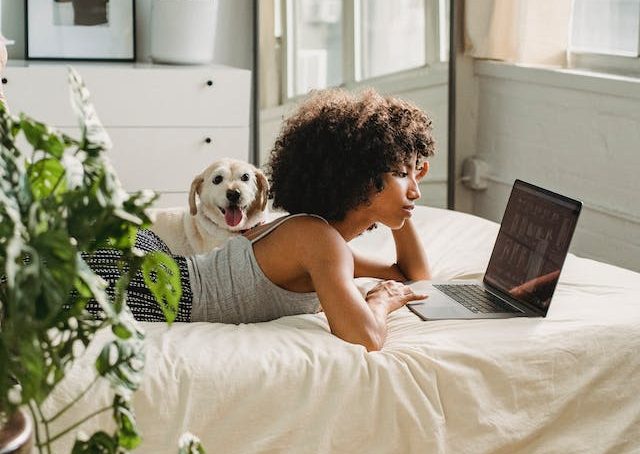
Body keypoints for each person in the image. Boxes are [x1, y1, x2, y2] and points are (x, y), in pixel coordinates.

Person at [85, 88, 436, 351]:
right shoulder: (319, 242)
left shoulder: (318, 239)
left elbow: (414, 277)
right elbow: (367, 338)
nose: (415, 190)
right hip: (148, 284)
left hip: (155, 268)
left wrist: (403, 206)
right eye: (402, 174)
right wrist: (381, 300)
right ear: (360, 177)